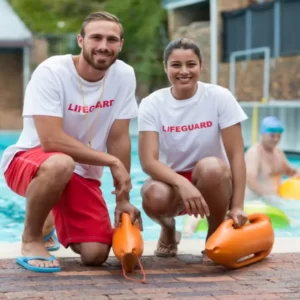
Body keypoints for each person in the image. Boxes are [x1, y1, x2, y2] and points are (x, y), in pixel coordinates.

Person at [0, 11, 142, 272]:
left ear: (120, 45)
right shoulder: (52, 72)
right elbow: (51, 140)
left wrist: (124, 199)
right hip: (31, 161)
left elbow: (119, 137)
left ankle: (50, 219)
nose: (103, 46)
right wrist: (110, 161)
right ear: (80, 40)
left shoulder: (124, 75)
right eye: (95, 37)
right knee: (60, 164)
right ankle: (31, 238)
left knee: (95, 254)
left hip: (81, 172)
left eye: (112, 40)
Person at [137, 37, 248, 258]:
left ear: (201, 66)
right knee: (153, 195)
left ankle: (214, 234)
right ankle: (168, 230)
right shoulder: (152, 104)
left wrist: (237, 206)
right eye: (176, 65)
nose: (184, 71)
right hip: (171, 183)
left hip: (211, 183)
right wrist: (180, 183)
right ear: (166, 67)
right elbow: (148, 161)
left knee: (212, 168)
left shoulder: (219, 97)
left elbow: (236, 155)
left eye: (191, 64)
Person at [245, 116, 300, 201]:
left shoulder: (278, 152)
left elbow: (288, 171)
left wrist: (297, 173)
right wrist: (266, 196)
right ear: (263, 134)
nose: (276, 139)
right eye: (272, 136)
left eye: (279, 136)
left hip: (276, 199)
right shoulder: (254, 153)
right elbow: (249, 180)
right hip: (258, 200)